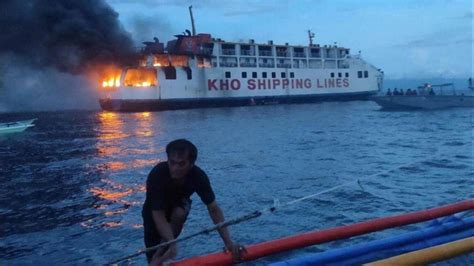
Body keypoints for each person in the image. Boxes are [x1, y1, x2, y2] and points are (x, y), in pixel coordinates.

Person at [142, 139, 245, 265]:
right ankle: (160, 255)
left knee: (179, 214)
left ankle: (166, 250)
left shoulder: (198, 176)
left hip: (179, 205)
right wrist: (171, 243)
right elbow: (158, 214)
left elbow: (213, 208)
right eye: (172, 163)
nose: (175, 168)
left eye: (181, 164)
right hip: (153, 212)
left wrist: (228, 243)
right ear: (167, 160)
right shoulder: (157, 174)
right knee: (154, 256)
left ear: (191, 164)